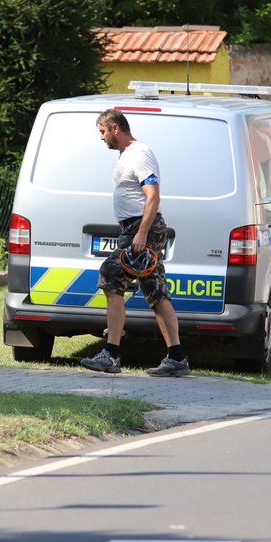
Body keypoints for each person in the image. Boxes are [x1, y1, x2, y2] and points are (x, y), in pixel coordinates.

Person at [81, 109, 190, 377]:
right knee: (155, 292)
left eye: (103, 131)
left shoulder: (139, 153)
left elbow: (152, 197)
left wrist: (141, 234)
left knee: (111, 275)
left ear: (115, 128)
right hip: (134, 228)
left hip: (143, 229)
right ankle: (176, 358)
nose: (101, 137)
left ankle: (112, 354)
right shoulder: (126, 155)